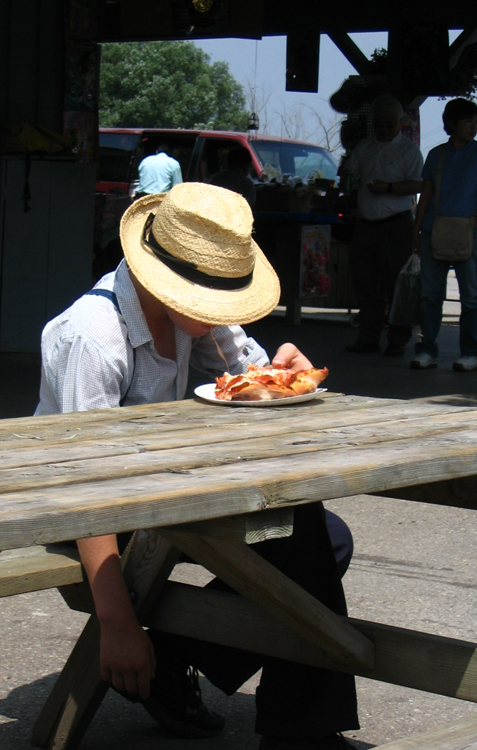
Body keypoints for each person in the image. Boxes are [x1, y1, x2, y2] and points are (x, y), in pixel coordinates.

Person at [35, 182, 359, 750]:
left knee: (321, 535)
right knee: (306, 538)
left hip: (166, 494)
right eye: (211, 304)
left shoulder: (196, 313)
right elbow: (83, 491)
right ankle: (301, 733)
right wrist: (116, 625)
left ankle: (177, 656)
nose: (219, 317)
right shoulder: (94, 337)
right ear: (165, 280)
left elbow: (248, 373)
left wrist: (284, 379)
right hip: (87, 513)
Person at [344, 94, 423, 356]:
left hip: (396, 223)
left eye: (389, 125)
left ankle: (398, 338)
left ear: (400, 123)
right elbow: (351, 177)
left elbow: (418, 184)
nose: (383, 130)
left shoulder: (408, 151)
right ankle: (369, 336)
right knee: (365, 281)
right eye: (378, 125)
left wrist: (389, 188)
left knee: (396, 284)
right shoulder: (365, 148)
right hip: (367, 223)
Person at [410, 98, 477, 371]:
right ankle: (427, 350)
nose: (473, 127)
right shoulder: (436, 155)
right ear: (451, 124)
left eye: (475, 122)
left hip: (469, 233)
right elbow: (425, 195)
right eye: (468, 121)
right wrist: (416, 228)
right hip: (433, 231)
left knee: (471, 296)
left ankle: (470, 352)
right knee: (430, 294)